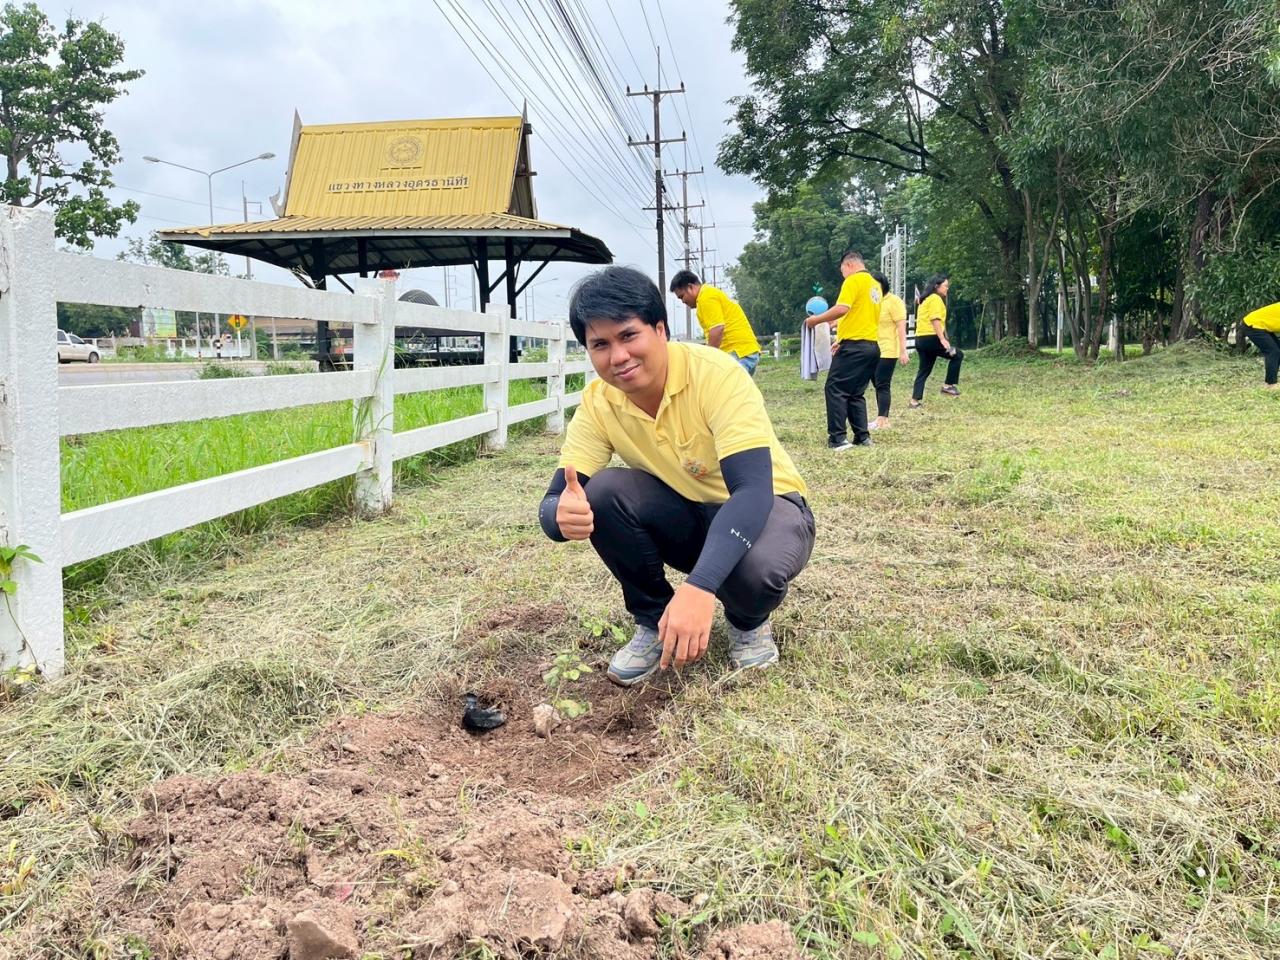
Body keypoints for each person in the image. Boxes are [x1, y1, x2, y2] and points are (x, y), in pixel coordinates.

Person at [540, 266, 815, 686]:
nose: (618, 357)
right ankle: (653, 620)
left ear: (660, 329)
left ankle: (748, 620)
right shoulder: (599, 402)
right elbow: (557, 495)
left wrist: (700, 586)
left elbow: (753, 490)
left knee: (755, 572)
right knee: (604, 491)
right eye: (600, 344)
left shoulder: (717, 374)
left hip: (767, 511)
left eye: (629, 335)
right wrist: (558, 515)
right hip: (689, 516)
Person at [804, 250, 881, 449]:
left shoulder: (853, 281)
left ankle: (837, 438)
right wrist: (841, 335)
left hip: (854, 347)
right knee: (856, 392)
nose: (843, 276)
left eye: (842, 271)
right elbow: (858, 316)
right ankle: (862, 437)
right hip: (871, 346)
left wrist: (816, 320)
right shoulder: (875, 285)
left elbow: (842, 308)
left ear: (849, 265)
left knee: (835, 388)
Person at [670, 270, 763, 376]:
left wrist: (708, 359)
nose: (683, 301)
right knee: (734, 391)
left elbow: (717, 329)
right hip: (744, 351)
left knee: (724, 390)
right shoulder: (709, 293)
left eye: (682, 296)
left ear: (690, 287)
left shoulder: (706, 297)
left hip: (737, 353)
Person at [910, 275, 963, 408]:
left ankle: (914, 401)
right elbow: (935, 320)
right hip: (932, 338)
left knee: (924, 370)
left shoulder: (925, 299)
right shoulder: (935, 299)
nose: (947, 288)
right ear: (936, 286)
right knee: (957, 355)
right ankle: (948, 385)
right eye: (945, 286)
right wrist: (942, 339)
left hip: (920, 340)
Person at [869, 272, 909, 430]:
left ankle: (883, 420)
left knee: (882, 384)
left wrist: (903, 351)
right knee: (876, 384)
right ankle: (881, 417)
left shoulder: (894, 301)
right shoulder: (872, 302)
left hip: (888, 349)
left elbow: (901, 328)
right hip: (872, 349)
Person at [1241, 301, 1280, 389]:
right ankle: (1271, 384)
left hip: (1262, 326)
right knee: (1273, 352)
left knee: (1277, 350)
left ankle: (1271, 382)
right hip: (1253, 325)